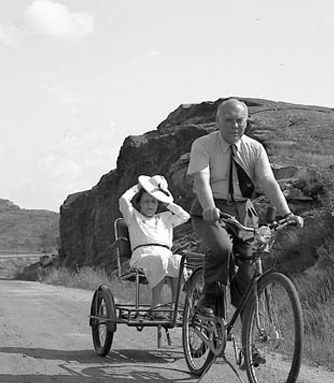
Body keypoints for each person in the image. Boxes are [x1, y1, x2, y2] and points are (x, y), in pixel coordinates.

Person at [186, 98, 304, 315]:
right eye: (229, 120)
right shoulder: (203, 145)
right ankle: (208, 300)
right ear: (217, 121)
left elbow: (268, 182)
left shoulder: (255, 148)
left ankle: (249, 336)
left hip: (244, 213)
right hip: (211, 210)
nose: (235, 125)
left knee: (250, 266)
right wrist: (210, 207)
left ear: (247, 121)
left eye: (240, 120)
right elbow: (201, 181)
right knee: (222, 249)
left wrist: (287, 213)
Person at [118, 175, 190, 319]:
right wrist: (139, 187)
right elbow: (123, 200)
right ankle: (155, 307)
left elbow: (185, 216)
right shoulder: (134, 217)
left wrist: (167, 201)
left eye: (153, 201)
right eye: (146, 201)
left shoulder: (165, 218)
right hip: (143, 256)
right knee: (160, 259)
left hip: (165, 254)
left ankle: (174, 307)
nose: (150, 205)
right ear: (140, 203)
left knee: (178, 260)